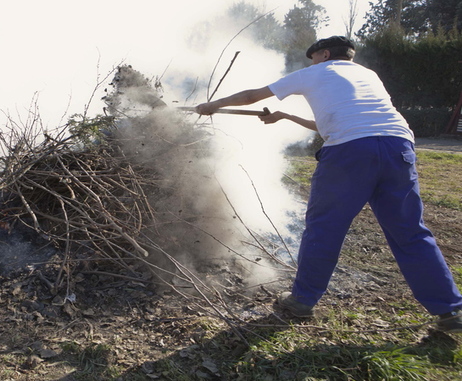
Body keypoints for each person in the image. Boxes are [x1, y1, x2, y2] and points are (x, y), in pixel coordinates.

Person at [196, 36, 462, 332]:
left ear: (323, 54)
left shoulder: (316, 72)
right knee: (410, 232)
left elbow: (253, 96)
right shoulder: (367, 75)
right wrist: (286, 116)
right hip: (398, 147)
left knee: (325, 228)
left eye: (313, 57)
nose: (311, 63)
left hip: (350, 154)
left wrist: (213, 105)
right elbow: (337, 120)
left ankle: (302, 300)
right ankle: (449, 310)